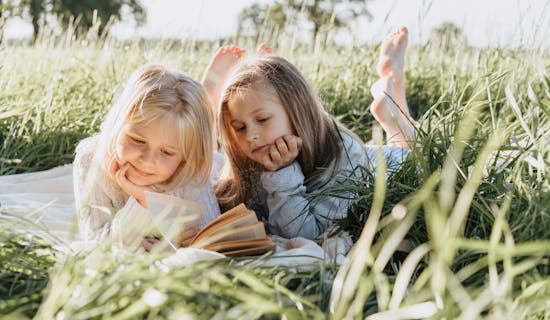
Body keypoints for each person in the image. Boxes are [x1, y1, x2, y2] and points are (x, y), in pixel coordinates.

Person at [214, 27, 415, 239]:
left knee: (412, 148)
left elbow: (308, 235)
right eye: (239, 127)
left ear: (297, 110)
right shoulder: (249, 156)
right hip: (368, 154)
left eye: (263, 119)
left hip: (388, 166)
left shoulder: (343, 155)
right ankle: (392, 103)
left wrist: (282, 173)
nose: (250, 135)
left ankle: (395, 93)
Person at [73, 64, 221, 250]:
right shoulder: (91, 159)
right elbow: (94, 236)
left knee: (217, 160)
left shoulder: (191, 166)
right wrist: (140, 207)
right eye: (137, 140)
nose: (148, 161)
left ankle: (211, 98)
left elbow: (209, 232)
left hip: (216, 165)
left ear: (184, 158)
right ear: (118, 125)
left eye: (166, 152)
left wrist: (146, 199)